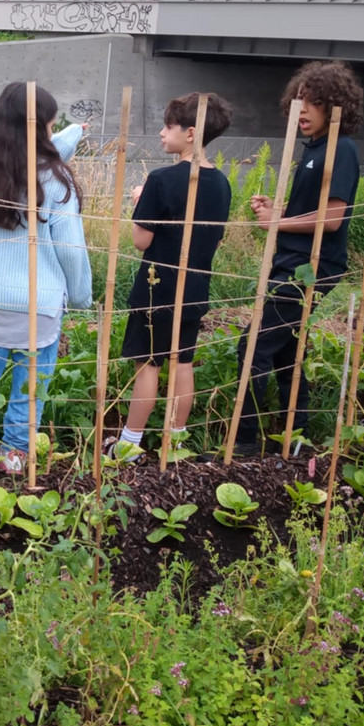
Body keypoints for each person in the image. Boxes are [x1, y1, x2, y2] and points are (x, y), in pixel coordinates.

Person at [0, 83, 93, 474]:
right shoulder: (55, 182)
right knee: (31, 388)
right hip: (38, 302)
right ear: (40, 129)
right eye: (50, 125)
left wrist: (72, 133)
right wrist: (80, 297)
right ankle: (14, 456)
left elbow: (39, 154)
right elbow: (71, 251)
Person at [236, 62, 363, 454]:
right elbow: (309, 210)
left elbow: (332, 217)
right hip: (294, 262)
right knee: (287, 349)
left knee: (253, 345)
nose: (302, 109)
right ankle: (298, 437)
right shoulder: (316, 149)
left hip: (311, 268)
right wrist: (280, 209)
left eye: (313, 101)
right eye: (298, 99)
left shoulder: (340, 148)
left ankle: (244, 442)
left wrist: (278, 222)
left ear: (334, 105)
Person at [112, 93, 233, 459]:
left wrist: (139, 199)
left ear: (191, 133)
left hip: (156, 286)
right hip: (195, 286)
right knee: (182, 361)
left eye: (169, 127)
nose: (162, 133)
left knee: (148, 362)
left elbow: (140, 239)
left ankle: (129, 444)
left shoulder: (160, 180)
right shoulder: (222, 183)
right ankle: (176, 441)